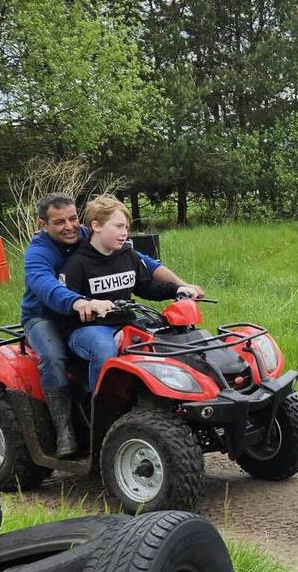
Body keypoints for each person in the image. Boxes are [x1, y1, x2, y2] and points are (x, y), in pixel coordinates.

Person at [20, 192, 198, 456]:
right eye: (59, 222)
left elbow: (143, 266)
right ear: (42, 225)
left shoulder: (91, 234)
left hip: (100, 313)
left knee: (158, 338)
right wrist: (80, 302)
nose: (69, 226)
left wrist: (180, 287)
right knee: (54, 358)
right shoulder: (39, 253)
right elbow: (46, 286)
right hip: (45, 315)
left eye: (73, 218)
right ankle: (67, 431)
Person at [55, 194, 203, 392]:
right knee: (104, 350)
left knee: (166, 342)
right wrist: (88, 304)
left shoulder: (127, 254)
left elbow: (145, 286)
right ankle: (100, 403)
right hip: (87, 329)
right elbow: (65, 300)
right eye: (118, 226)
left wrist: (177, 289)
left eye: (126, 227)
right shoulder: (77, 263)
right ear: (96, 226)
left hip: (125, 321)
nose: (124, 233)